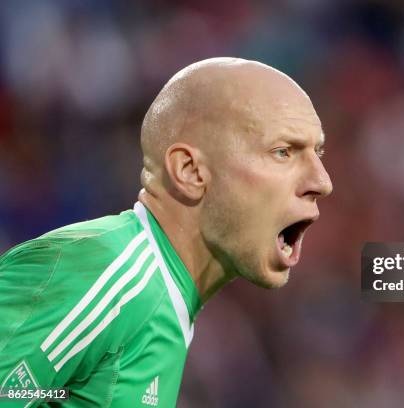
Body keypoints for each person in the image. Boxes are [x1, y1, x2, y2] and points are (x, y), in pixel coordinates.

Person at [0, 57, 333, 407]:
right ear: (189, 171)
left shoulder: (164, 302)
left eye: (318, 152)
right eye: (283, 152)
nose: (322, 182)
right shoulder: (102, 272)